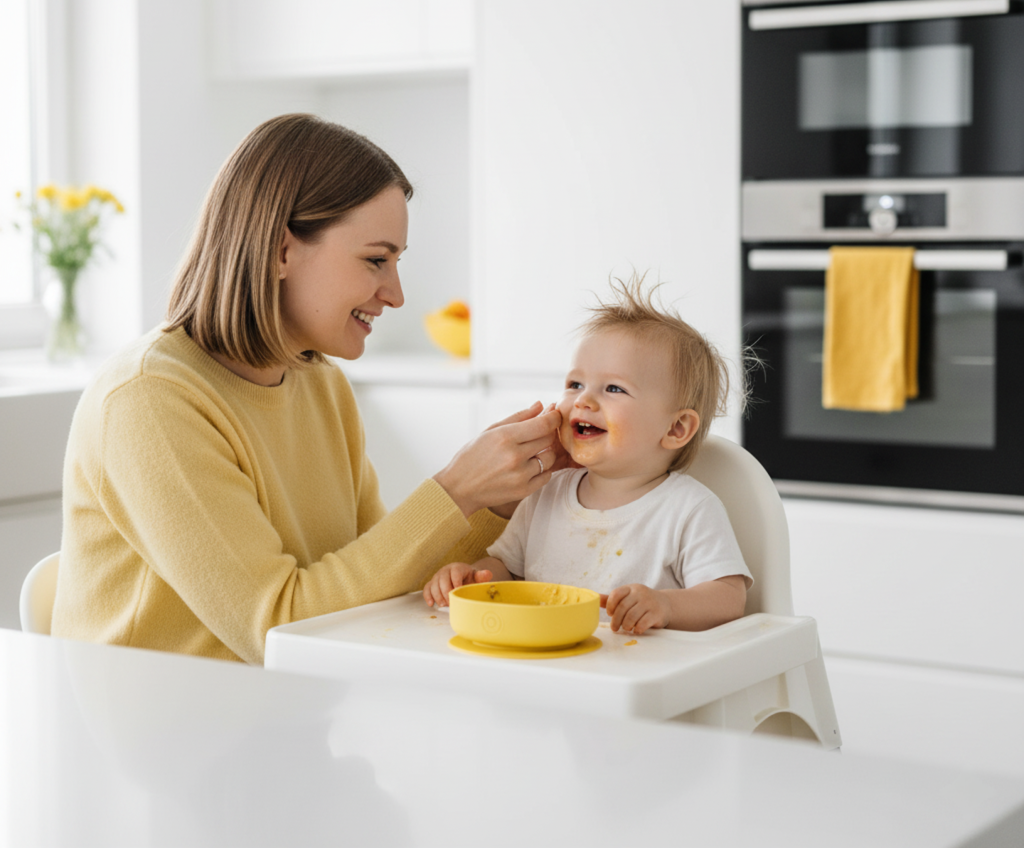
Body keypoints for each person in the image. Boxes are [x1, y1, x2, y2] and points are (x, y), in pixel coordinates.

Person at [51, 113, 564, 664]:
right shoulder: (148, 401)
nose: (394, 293)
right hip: (161, 737)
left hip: (283, 720)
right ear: (280, 250)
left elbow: (381, 582)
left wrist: (496, 501)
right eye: (375, 260)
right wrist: (456, 489)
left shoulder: (320, 384)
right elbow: (274, 627)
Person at [423, 277, 752, 635]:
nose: (583, 400)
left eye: (613, 388)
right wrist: (473, 578)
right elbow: (507, 568)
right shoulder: (546, 493)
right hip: (552, 666)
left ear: (675, 429)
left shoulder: (688, 508)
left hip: (635, 676)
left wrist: (666, 605)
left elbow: (729, 597)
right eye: (575, 384)